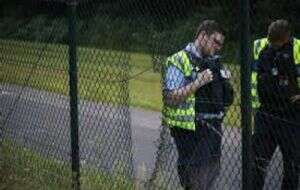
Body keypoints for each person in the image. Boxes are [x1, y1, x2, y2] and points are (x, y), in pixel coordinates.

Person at [162, 20, 234, 190]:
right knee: (194, 181)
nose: (218, 48)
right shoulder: (179, 60)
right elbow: (170, 98)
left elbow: (225, 99)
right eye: (215, 42)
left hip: (214, 129)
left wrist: (224, 83)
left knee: (210, 175)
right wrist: (198, 83)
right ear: (202, 36)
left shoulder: (215, 62)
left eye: (221, 45)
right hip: (189, 131)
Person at [251, 19, 300, 189]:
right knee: (257, 163)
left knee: (293, 166)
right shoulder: (260, 46)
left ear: (286, 38)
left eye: (277, 43)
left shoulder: (298, 48)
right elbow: (253, 77)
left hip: (291, 116)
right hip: (266, 112)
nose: (273, 45)